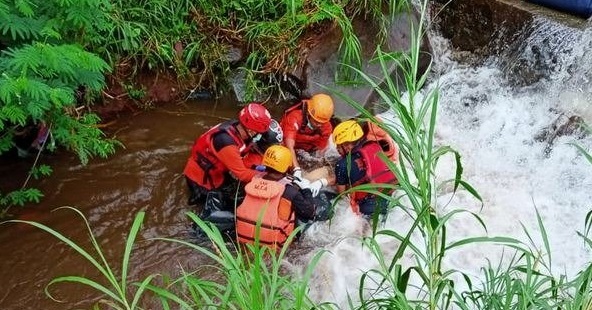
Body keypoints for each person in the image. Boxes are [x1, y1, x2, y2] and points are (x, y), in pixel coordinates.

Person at [183, 103, 272, 210]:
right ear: (251, 131)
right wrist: (269, 175)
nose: (259, 135)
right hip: (201, 180)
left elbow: (243, 148)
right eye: (259, 133)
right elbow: (242, 175)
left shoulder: (236, 126)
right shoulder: (226, 143)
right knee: (215, 207)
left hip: (215, 172)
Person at [235, 145, 316, 250]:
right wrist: (306, 190)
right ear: (287, 167)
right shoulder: (289, 191)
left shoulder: (251, 182)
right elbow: (310, 213)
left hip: (244, 242)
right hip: (275, 247)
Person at [331, 119, 398, 218]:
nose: (337, 149)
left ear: (347, 145)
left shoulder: (342, 165)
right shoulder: (374, 146)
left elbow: (342, 196)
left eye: (339, 146)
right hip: (393, 197)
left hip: (369, 207)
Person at [279, 93, 335, 179]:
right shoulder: (294, 118)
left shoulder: (327, 127)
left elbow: (319, 148)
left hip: (306, 150)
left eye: (322, 123)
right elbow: (289, 146)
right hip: (286, 145)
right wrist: (296, 169)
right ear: (309, 113)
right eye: (316, 121)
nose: (319, 125)